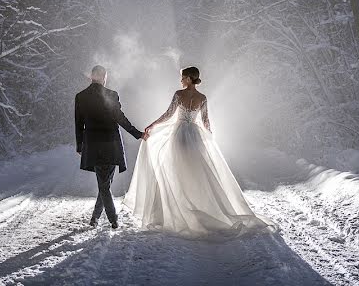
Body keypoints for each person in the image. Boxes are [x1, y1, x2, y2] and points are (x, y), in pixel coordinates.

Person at [123, 66, 274, 238]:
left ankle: (176, 211)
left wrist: (152, 125)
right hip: (195, 137)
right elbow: (206, 121)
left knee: (175, 171)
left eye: (182, 77)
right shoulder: (202, 97)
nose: (180, 80)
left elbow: (168, 114)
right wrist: (209, 139)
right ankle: (199, 208)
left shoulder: (179, 94)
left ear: (188, 78)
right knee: (196, 173)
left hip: (179, 135)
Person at [75, 65, 143, 228]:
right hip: (111, 144)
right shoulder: (111, 95)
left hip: (92, 144)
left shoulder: (81, 96)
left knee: (104, 184)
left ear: (91, 77)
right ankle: (113, 219)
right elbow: (120, 118)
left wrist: (80, 145)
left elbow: (79, 123)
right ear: (104, 77)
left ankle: (95, 219)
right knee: (105, 184)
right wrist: (137, 134)